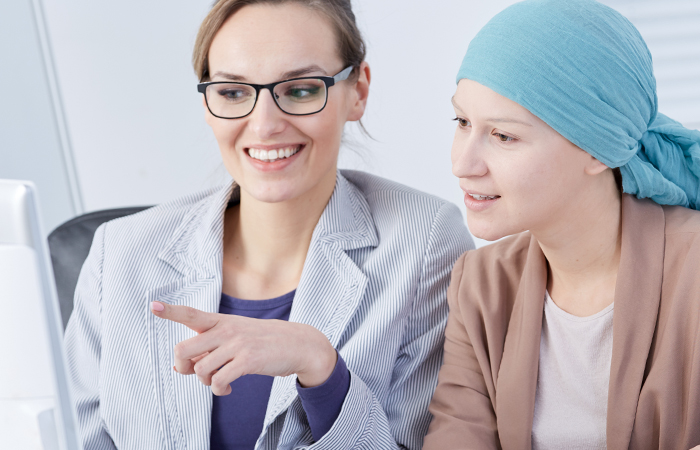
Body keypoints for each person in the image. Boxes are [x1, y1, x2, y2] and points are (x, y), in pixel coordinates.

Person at [64, 0, 472, 449]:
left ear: (357, 91)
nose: (264, 125)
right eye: (233, 93)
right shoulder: (118, 253)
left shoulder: (425, 242)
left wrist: (321, 368)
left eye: (299, 90)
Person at [422, 0, 700, 449]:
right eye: (462, 122)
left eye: (503, 135)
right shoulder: (480, 284)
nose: (462, 163)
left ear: (596, 149)